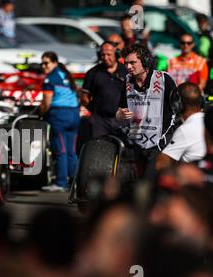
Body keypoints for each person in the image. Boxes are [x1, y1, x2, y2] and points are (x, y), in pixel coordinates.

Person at [116, 44, 177, 177]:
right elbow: (120, 112)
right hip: (137, 142)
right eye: (126, 63)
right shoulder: (127, 82)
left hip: (159, 143)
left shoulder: (163, 80)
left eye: (133, 63)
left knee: (149, 184)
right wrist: (120, 114)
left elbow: (177, 109)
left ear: (145, 62)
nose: (128, 67)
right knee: (139, 184)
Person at [39, 52, 79, 192]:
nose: (44, 66)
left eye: (46, 63)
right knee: (71, 151)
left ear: (55, 63)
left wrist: (41, 113)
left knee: (61, 151)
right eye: (42, 63)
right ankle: (75, 182)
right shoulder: (65, 74)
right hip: (74, 115)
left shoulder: (49, 79)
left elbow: (46, 104)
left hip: (60, 116)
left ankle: (61, 183)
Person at [81, 41, 127, 138]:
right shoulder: (92, 73)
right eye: (103, 55)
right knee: (98, 148)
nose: (105, 58)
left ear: (117, 54)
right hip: (100, 122)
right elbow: (84, 98)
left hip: (122, 120)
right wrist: (94, 112)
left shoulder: (126, 71)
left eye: (109, 54)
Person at [155, 82, 206, 170]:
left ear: (177, 105)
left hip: (195, 180)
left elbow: (160, 164)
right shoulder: (208, 121)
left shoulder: (185, 130)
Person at [195, 13, 213, 95]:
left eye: (202, 23)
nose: (200, 25)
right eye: (199, 23)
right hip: (208, 63)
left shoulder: (205, 36)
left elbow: (203, 51)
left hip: (207, 63)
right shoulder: (207, 34)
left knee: (207, 84)